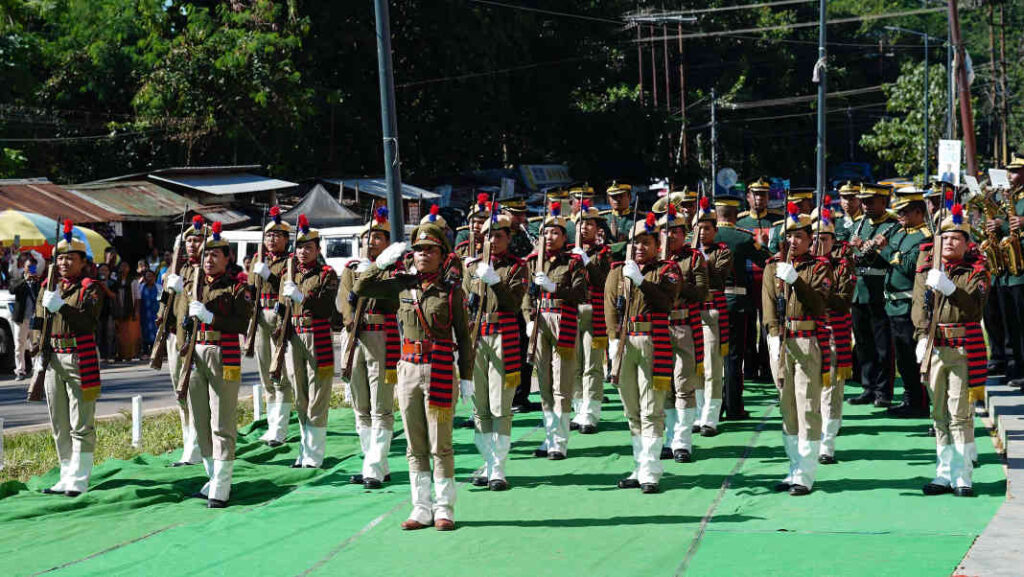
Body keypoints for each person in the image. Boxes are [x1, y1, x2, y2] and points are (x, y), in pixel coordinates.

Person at [354, 223, 473, 531]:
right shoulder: (401, 285)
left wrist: (468, 375)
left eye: (429, 249)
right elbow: (361, 288)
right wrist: (380, 264)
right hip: (407, 366)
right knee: (414, 443)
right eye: (418, 249)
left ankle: (444, 506)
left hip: (440, 367)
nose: (422, 255)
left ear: (442, 254)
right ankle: (421, 506)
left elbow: (463, 334)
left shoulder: (451, 291)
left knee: (440, 444)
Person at [914, 202, 989, 497]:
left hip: (961, 348)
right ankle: (943, 473)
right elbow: (919, 307)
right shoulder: (928, 269)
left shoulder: (976, 272)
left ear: (967, 243)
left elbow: (974, 309)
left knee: (960, 414)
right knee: (939, 414)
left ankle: (962, 475)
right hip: (935, 347)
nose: (949, 242)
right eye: (944, 238)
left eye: (956, 238)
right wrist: (921, 336)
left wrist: (949, 289)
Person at [605, 213, 682, 493]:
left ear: (656, 244)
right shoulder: (617, 271)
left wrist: (641, 282)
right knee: (632, 409)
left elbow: (665, 303)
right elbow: (610, 308)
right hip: (625, 343)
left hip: (653, 339)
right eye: (636, 242)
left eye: (646, 242)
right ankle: (639, 466)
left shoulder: (667, 270)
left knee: (651, 409)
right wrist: (613, 340)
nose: (640, 247)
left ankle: (651, 470)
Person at [181, 221, 251, 507]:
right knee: (200, 420)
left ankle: (222, 485)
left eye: (215, 255)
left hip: (223, 352)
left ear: (227, 258)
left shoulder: (237, 288)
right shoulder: (193, 284)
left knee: (222, 420)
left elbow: (243, 322)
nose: (208, 260)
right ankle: (212, 477)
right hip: (195, 352)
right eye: (206, 255)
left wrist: (212, 319)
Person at [763, 206, 832, 496]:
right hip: (782, 340)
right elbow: (768, 305)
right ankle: (793, 468)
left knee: (807, 405)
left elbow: (819, 304)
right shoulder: (772, 266)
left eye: (799, 236)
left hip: (805, 339)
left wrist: (797, 281)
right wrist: (774, 336)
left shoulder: (819, 267)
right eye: (789, 236)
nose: (793, 241)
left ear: (809, 239)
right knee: (787, 407)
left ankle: (806, 473)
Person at [35, 220, 103, 497]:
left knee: (81, 422)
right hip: (53, 356)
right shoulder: (48, 286)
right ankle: (65, 474)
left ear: (82, 261)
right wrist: (38, 353)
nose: (63, 262)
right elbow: (40, 321)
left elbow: (88, 322)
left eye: (69, 258)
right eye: (60, 258)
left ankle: (80, 476)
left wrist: (62, 306)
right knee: (59, 422)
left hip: (79, 355)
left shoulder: (90, 288)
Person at [465, 210, 528, 490]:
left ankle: (499, 468)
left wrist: (494, 281)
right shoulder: (471, 267)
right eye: (487, 235)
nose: (491, 240)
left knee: (500, 405)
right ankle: (487, 462)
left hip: (503, 334)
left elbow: (513, 304)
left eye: (497, 236)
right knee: (480, 407)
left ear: (508, 238)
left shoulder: (516, 267)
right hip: (477, 336)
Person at [338, 208, 400, 488]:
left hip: (379, 335)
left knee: (381, 406)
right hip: (354, 335)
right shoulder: (351, 268)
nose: (372, 242)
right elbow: (343, 303)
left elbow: (390, 301)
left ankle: (374, 467)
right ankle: (373, 464)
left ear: (388, 242)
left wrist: (374, 274)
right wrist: (351, 319)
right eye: (368, 237)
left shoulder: (395, 269)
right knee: (360, 405)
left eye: (378, 237)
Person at [522, 201, 587, 460]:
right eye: (546, 232)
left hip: (564, 317)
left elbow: (581, 292)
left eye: (555, 233)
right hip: (539, 319)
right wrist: (528, 318)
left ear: (564, 236)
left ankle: (559, 441)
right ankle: (549, 436)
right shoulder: (531, 261)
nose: (550, 237)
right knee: (545, 382)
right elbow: (526, 295)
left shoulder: (573, 262)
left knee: (562, 381)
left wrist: (553, 288)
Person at [277, 215, 339, 469]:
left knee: (317, 395)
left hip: (317, 334)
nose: (303, 252)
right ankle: (304, 450)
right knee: (299, 394)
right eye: (300, 247)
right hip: (293, 335)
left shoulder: (326, 274)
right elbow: (282, 309)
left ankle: (314, 453)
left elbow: (325, 307)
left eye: (308, 248)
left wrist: (301, 297)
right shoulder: (288, 274)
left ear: (318, 250)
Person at [661, 204, 709, 462]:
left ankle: (683, 441)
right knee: (664, 385)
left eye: (675, 231)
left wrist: (677, 285)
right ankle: (669, 438)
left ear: (684, 234)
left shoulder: (694, 259)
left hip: (683, 326)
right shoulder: (654, 260)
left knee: (683, 384)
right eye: (666, 231)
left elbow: (701, 292)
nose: (670, 236)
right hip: (658, 326)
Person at [160, 216, 208, 467]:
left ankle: (197, 447)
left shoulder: (207, 270)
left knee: (194, 394)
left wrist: (184, 289)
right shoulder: (177, 269)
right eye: (188, 240)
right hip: (174, 338)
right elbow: (164, 306)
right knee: (180, 394)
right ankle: (188, 441)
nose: (192, 245)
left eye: (197, 240)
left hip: (194, 339)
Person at [716, 192, 768, 419]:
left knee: (711, 356)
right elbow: (767, 260)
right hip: (735, 303)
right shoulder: (743, 237)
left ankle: (712, 408)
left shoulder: (697, 236)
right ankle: (734, 406)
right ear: (735, 214)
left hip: (708, 304)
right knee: (734, 356)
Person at [848, 183, 899, 407]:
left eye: (870, 201)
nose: (866, 205)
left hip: (880, 290)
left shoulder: (893, 225)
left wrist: (870, 248)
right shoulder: (861, 223)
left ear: (883, 201)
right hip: (859, 290)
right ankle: (867, 387)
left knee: (882, 345)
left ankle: (883, 391)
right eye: (864, 201)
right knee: (863, 343)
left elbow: (891, 258)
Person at [812, 207, 856, 464]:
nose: (819, 242)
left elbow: (842, 301)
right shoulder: (800, 264)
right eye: (815, 237)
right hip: (807, 332)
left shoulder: (841, 266)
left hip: (832, 331)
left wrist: (815, 296)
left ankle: (826, 442)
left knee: (830, 386)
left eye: (824, 238)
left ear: (832, 240)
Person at [883, 189, 932, 418]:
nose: (899, 216)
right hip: (892, 304)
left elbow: (908, 265)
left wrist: (884, 249)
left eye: (904, 212)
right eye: (899, 212)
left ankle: (919, 402)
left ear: (918, 212)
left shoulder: (923, 236)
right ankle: (909, 398)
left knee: (913, 358)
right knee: (902, 358)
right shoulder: (900, 232)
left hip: (908, 304)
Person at [248, 206, 294, 447]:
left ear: (286, 240)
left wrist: (270, 276)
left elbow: (287, 287)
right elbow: (249, 290)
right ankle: (271, 422)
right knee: (265, 372)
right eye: (268, 235)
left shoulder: (290, 262)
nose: (272, 239)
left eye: (277, 235)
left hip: (278, 316)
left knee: (280, 374)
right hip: (260, 317)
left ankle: (280, 427)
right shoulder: (259, 259)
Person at [570, 201, 612, 434]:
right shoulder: (568, 251)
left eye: (589, 224)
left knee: (592, 364)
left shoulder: (604, 253)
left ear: (598, 229)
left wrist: (586, 261)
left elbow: (603, 281)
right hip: (571, 311)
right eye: (580, 224)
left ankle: (591, 411)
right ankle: (578, 408)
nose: (584, 228)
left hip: (593, 310)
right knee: (573, 363)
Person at [692, 198, 733, 436]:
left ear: (715, 231)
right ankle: (698, 414)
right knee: (694, 367)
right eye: (699, 227)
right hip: (691, 314)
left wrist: (700, 259)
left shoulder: (722, 252)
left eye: (707, 228)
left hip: (711, 312)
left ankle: (711, 416)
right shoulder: (688, 253)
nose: (703, 231)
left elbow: (717, 278)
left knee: (711, 366)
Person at [9, 253, 43, 380]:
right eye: (29, 266)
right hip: (21, 318)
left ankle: (36, 369)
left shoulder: (37, 282)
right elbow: (12, 289)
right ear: (24, 267)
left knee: (35, 344)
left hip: (34, 317)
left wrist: (35, 281)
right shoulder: (18, 279)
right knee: (19, 344)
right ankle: (20, 370)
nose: (31, 269)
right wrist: (25, 280)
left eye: (33, 267)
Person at [139, 269, 160, 354]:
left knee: (155, 331)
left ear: (154, 277)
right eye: (147, 276)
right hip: (144, 313)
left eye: (151, 276)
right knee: (144, 331)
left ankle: (154, 350)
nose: (149, 278)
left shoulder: (159, 287)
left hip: (155, 313)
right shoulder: (141, 287)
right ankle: (145, 351)